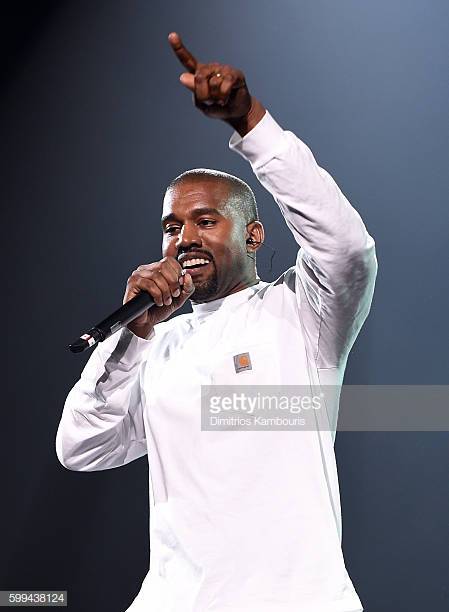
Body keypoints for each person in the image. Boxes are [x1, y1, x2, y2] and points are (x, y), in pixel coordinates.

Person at [56, 32, 377, 612]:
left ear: (253, 235)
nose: (185, 238)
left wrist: (251, 125)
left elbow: (346, 247)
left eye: (206, 220)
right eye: (172, 226)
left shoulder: (302, 315)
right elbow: (81, 447)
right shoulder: (155, 345)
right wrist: (134, 335)